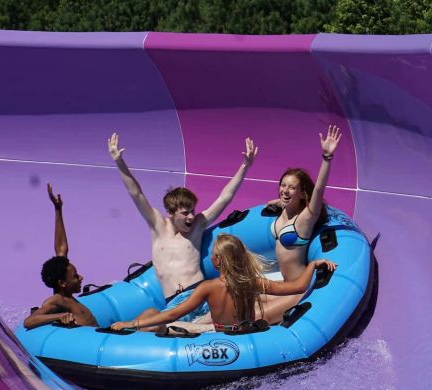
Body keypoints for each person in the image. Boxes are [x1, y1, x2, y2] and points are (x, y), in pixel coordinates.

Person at [109, 132, 257, 329]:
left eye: (192, 211)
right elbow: (136, 193)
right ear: (170, 213)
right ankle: (198, 329)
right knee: (149, 319)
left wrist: (245, 166)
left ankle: (202, 328)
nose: (190, 217)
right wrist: (119, 161)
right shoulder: (157, 226)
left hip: (200, 297)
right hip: (175, 304)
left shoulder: (197, 226)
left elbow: (224, 198)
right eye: (185, 213)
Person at [110, 234, 335, 333]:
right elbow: (297, 287)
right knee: (153, 315)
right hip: (243, 332)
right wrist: (313, 264)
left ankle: (130, 330)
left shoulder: (207, 287)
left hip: (217, 334)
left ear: (217, 261)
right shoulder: (252, 282)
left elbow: (172, 315)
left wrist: (130, 325)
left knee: (153, 317)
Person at [262, 125, 342, 318]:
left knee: (254, 314)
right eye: (283, 185)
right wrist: (278, 202)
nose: (285, 190)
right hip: (284, 285)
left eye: (292, 188)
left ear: (302, 193)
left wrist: (327, 158)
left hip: (299, 290)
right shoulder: (283, 210)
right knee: (238, 298)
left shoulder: (304, 219)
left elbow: (319, 190)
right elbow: (279, 201)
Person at [23, 183, 99, 329]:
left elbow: (61, 248)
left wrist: (58, 209)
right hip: (92, 346)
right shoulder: (57, 301)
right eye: (75, 276)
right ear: (62, 283)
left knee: (148, 313)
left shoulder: (66, 295)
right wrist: (59, 316)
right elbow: (29, 321)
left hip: (99, 336)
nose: (81, 277)